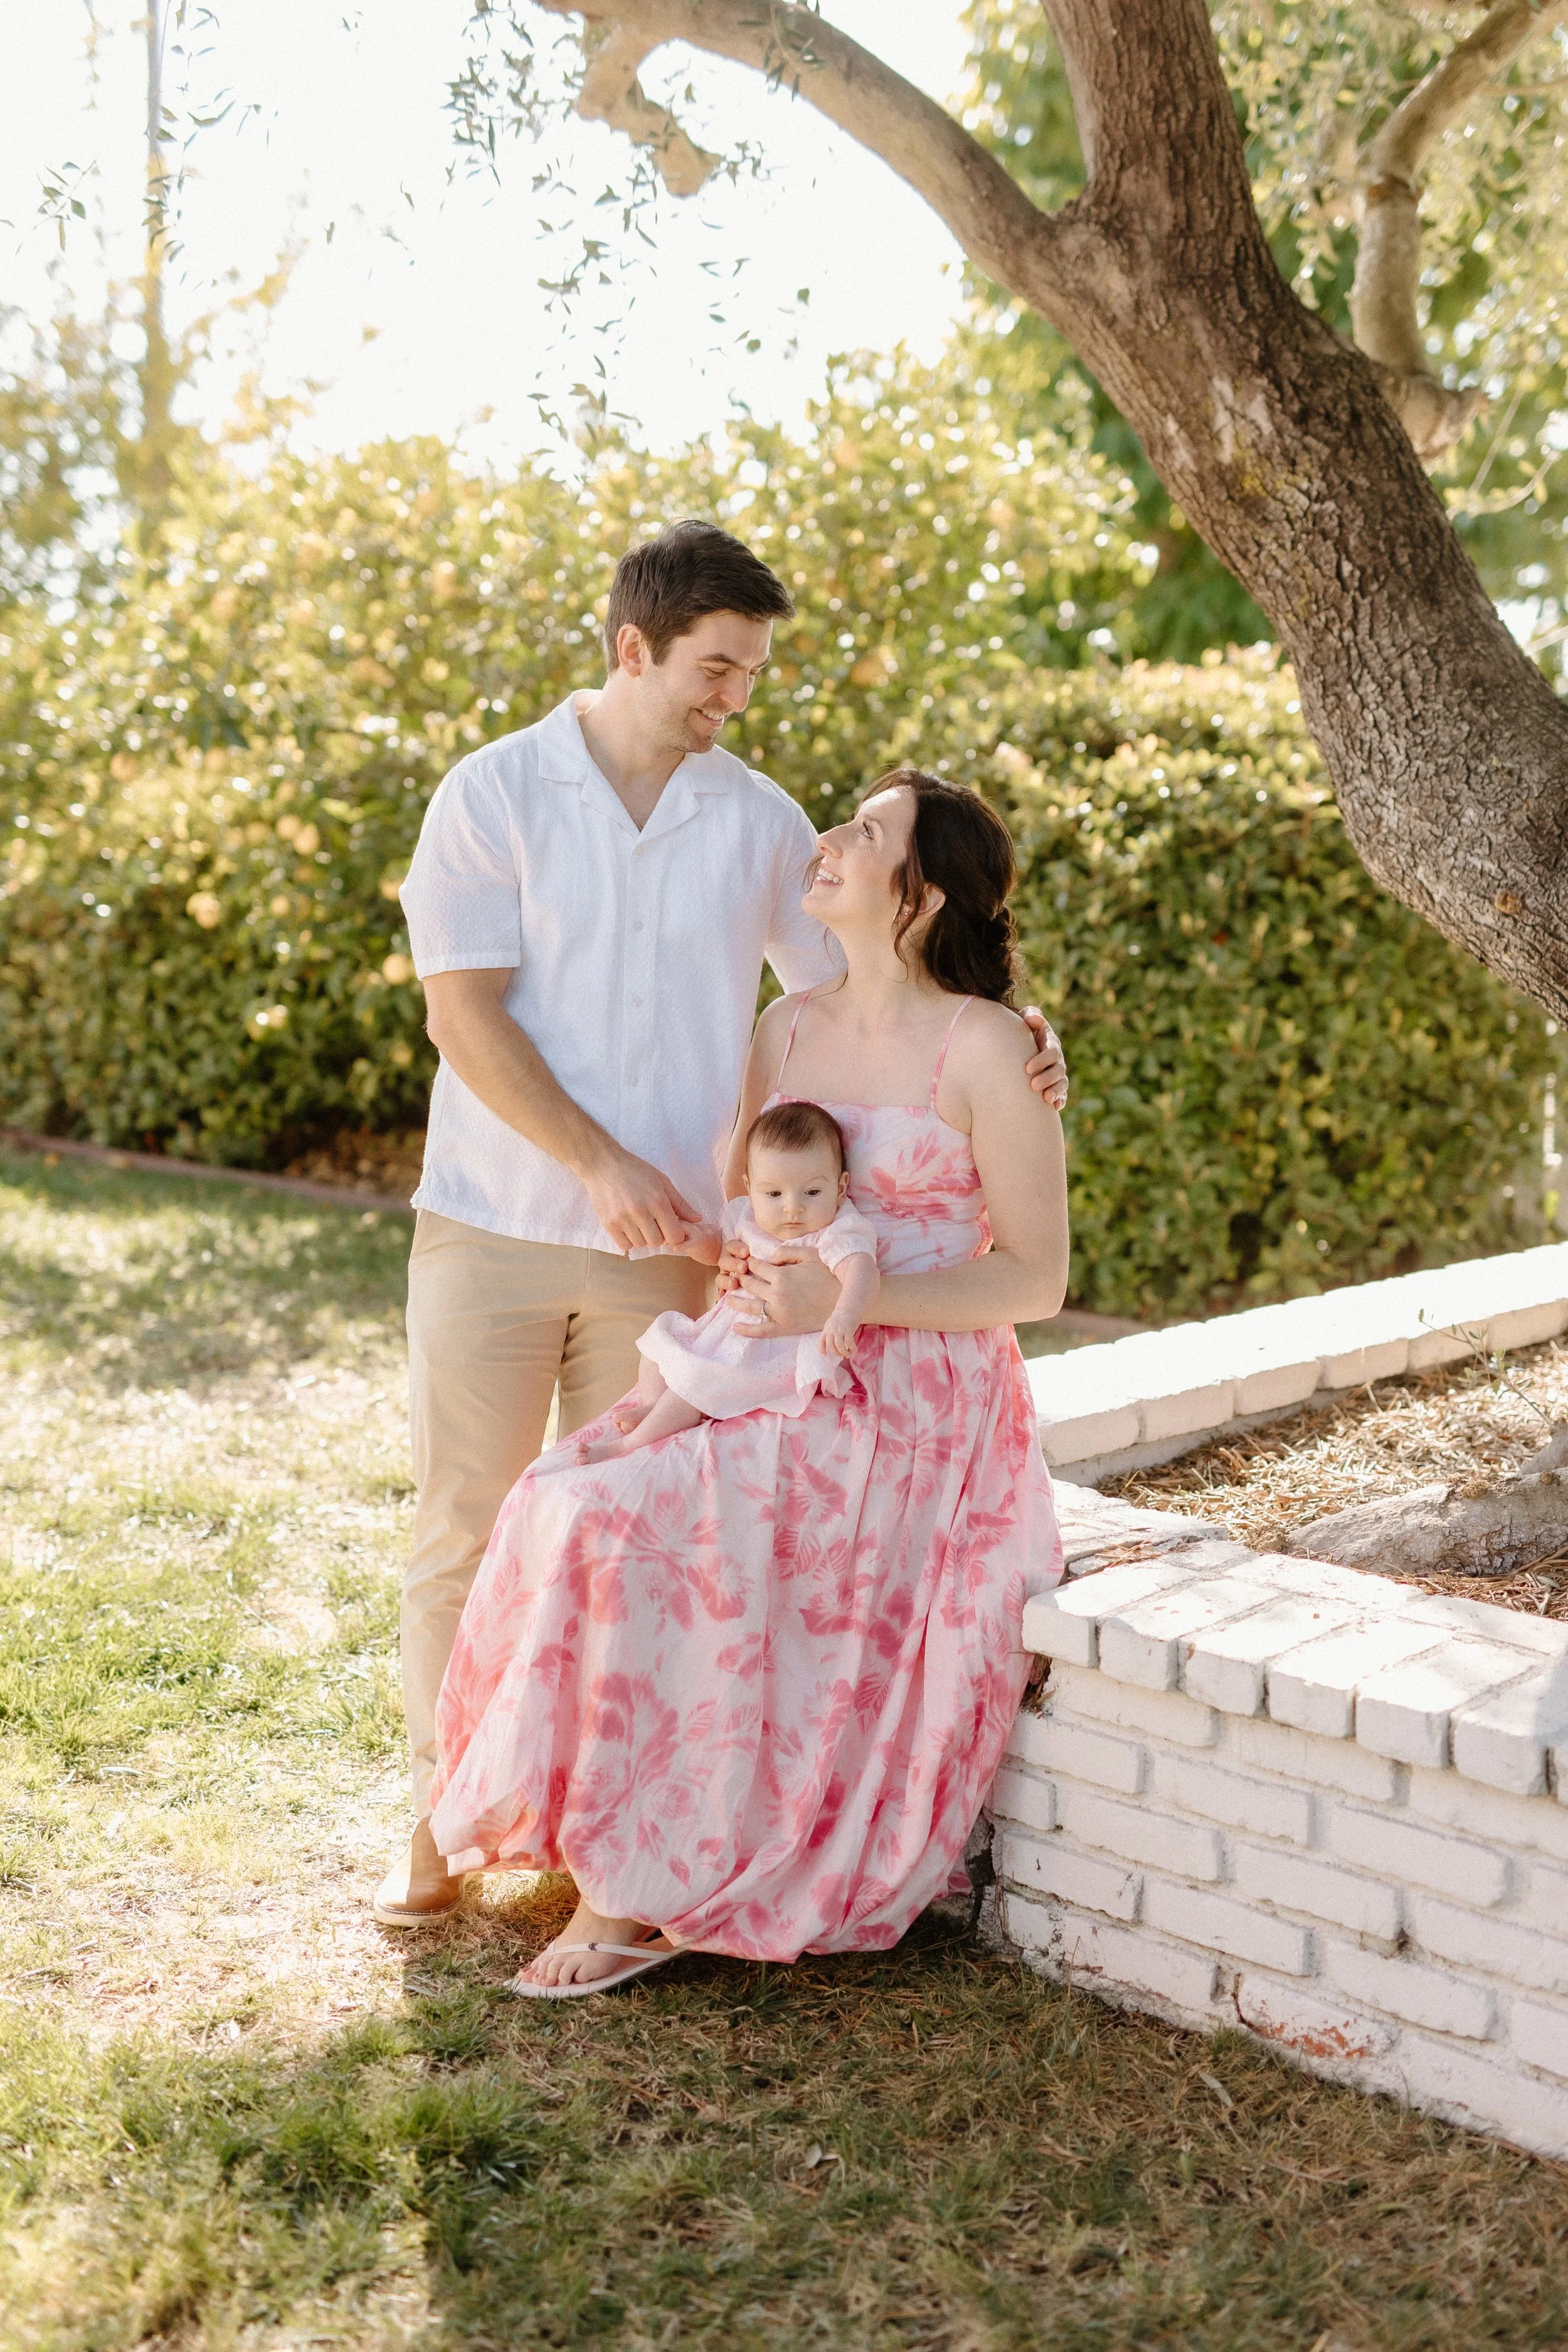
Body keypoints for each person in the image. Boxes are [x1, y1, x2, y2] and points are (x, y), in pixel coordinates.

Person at [374, 519, 1068, 1929]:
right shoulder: (492, 794)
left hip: (683, 1257)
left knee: (627, 1542)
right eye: (714, 668)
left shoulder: (753, 818)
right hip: (495, 1223)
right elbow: (462, 1013)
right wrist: (598, 1165)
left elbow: (873, 989)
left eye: (747, 673)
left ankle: (599, 1824)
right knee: (465, 1527)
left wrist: (1022, 1031)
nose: (732, 698)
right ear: (633, 649)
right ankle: (442, 1819)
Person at [575, 1098, 879, 1462]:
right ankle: (654, 1407)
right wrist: (700, 1243)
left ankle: (627, 1446)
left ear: (841, 1188)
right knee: (661, 1338)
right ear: (751, 1188)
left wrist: (844, 1314)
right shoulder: (747, 1216)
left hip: (773, 1345)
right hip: (726, 1331)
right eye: (774, 1193)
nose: (792, 1207)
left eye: (812, 1192)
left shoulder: (835, 1231)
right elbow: (724, 1252)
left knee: (698, 1381)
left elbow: (861, 1270)